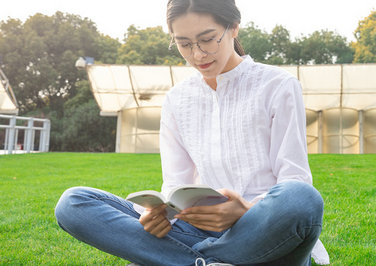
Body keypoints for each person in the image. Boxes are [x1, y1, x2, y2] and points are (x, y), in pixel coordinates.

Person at [55, 0, 325, 265]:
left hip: (265, 229)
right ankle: (209, 262)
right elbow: (174, 185)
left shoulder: (278, 85)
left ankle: (177, 260)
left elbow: (295, 177)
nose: (197, 55)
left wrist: (246, 210)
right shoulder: (177, 99)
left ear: (233, 27)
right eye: (184, 44)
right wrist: (160, 214)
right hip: (197, 228)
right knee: (74, 203)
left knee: (301, 198)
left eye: (207, 39)